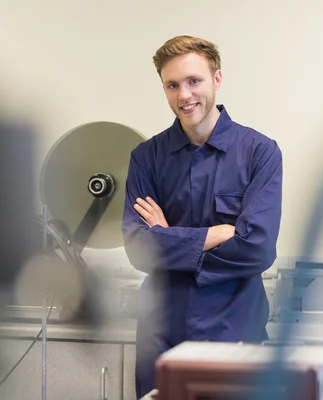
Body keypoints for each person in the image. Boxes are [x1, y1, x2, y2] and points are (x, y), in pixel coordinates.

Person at [121, 35, 283, 398]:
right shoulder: (146, 158)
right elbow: (138, 249)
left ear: (217, 79)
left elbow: (257, 248)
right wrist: (215, 234)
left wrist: (167, 236)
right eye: (172, 85)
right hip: (162, 335)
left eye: (194, 81)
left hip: (235, 332)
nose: (184, 95)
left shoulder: (260, 153)